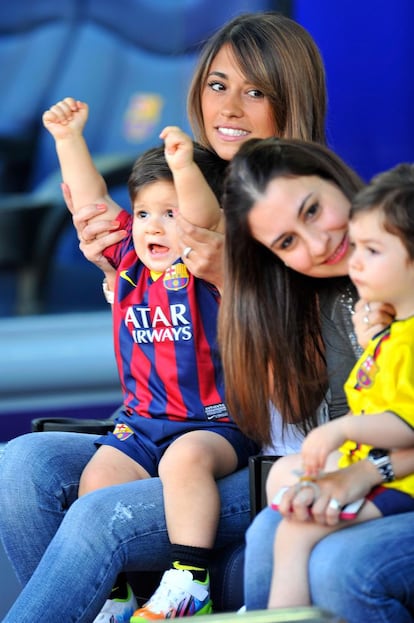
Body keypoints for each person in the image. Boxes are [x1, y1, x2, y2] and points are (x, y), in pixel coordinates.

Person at [0, 10, 410, 623]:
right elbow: (106, 221)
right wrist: (125, 269)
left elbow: (345, 394)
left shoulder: (333, 228)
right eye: (218, 86)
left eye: (256, 91)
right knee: (21, 467)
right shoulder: (179, 193)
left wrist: (230, 278)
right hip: (174, 428)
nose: (231, 108)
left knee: (98, 518)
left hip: (261, 452)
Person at [42, 96, 258, 622]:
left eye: (170, 214)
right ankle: (117, 594)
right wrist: (69, 140)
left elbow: (204, 220)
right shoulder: (128, 265)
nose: (153, 227)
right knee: (98, 481)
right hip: (140, 424)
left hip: (212, 424)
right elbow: (91, 205)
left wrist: (185, 167)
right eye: (143, 213)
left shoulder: (207, 268)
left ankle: (190, 581)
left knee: (185, 461)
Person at [219, 136, 414, 622]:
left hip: (394, 476)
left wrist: (362, 471)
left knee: (338, 564)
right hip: (386, 472)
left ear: (332, 179)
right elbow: (370, 411)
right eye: (287, 243)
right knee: (274, 525)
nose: (321, 244)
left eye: (311, 211)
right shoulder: (331, 303)